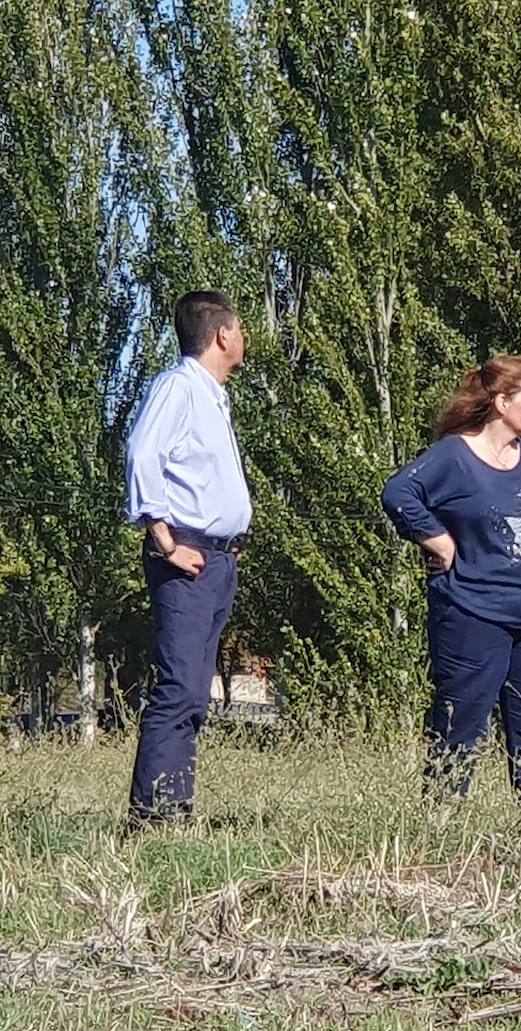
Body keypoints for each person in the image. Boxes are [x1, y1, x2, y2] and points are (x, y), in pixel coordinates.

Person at [381, 355, 521, 800]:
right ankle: (442, 819)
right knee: (460, 719)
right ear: (502, 402)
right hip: (472, 611)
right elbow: (398, 493)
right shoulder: (454, 455)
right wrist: (439, 542)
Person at [124, 291, 252, 828]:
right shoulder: (179, 387)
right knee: (179, 687)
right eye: (241, 327)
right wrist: (164, 539)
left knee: (195, 691)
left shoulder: (211, 395)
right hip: (188, 554)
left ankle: (175, 811)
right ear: (222, 335)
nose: (245, 337)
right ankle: (153, 819)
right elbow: (140, 452)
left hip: (217, 559)